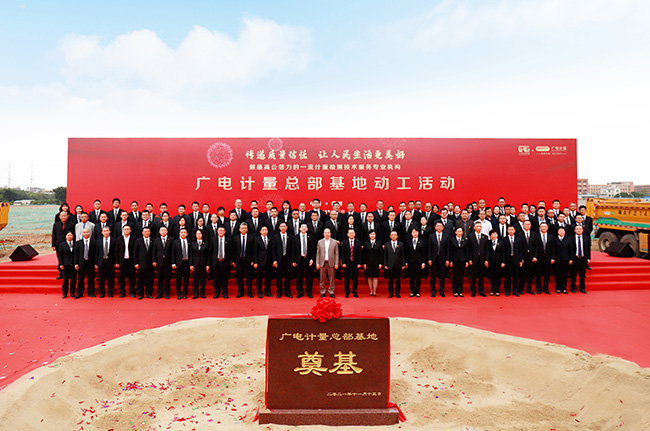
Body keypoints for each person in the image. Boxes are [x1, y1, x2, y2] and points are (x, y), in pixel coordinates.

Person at [292, 223, 316, 298]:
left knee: (309, 277)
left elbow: (313, 250)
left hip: (308, 259)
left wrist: (312, 259)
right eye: (302, 227)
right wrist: (293, 260)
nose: (303, 228)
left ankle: (309, 292)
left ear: (307, 229)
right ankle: (300, 291)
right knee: (299, 276)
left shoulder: (311, 237)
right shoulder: (295, 237)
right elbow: (292, 250)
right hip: (299, 259)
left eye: (305, 227)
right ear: (299, 228)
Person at [428, 221, 449, 297]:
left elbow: (448, 249)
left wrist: (447, 259)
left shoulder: (446, 236)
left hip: (443, 259)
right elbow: (429, 248)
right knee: (433, 275)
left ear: (443, 227)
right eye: (437, 226)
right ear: (435, 227)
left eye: (440, 226)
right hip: (434, 259)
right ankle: (433, 290)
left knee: (442, 276)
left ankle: (441, 290)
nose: (439, 227)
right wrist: (429, 259)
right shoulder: (431, 236)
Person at [232, 222, 254, 298]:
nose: (243, 230)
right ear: (239, 229)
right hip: (239, 260)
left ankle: (249, 292)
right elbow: (233, 250)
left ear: (247, 229)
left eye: (245, 228)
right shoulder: (235, 238)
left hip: (248, 260)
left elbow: (253, 250)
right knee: (239, 277)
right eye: (242, 228)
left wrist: (253, 260)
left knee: (248, 277)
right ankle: (240, 292)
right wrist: (233, 260)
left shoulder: (251, 238)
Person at [209, 226, 231, 298]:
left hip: (225, 261)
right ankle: (217, 292)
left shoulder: (229, 240)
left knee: (224, 278)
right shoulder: (213, 239)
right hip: (216, 261)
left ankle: (225, 292)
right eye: (219, 230)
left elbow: (231, 251)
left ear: (225, 232)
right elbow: (210, 251)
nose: (221, 232)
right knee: (216, 278)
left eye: (222, 230)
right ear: (217, 231)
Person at [519, 220, 540, 295]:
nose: (527, 226)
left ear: (530, 225)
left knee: (530, 274)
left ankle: (529, 288)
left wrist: (535, 256)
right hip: (523, 258)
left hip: (531, 257)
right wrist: (520, 258)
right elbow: (518, 248)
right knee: (522, 274)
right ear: (523, 225)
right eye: (526, 224)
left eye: (528, 224)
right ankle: (521, 289)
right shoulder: (519, 234)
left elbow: (537, 247)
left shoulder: (535, 234)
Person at [316, 228, 339, 298]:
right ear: (323, 233)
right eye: (325, 232)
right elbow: (318, 253)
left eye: (328, 232)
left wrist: (336, 263)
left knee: (331, 278)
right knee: (322, 278)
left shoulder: (334, 242)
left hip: (331, 263)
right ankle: (322, 291)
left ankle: (331, 291)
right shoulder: (320, 242)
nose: (327, 234)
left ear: (330, 234)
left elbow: (336, 254)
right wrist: (317, 263)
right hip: (322, 263)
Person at [467, 221, 488, 297]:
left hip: (482, 259)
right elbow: (468, 249)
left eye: (480, 226)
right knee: (473, 276)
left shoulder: (485, 237)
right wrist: (469, 259)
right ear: (474, 228)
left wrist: (486, 259)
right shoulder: (470, 237)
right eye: (477, 226)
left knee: (481, 276)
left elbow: (487, 250)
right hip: (473, 259)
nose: (479, 228)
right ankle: (473, 291)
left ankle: (481, 291)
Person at [74, 227, 96, 298]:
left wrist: (96, 263)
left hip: (90, 262)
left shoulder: (94, 242)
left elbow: (96, 254)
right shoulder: (78, 243)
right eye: (84, 232)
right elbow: (76, 254)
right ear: (82, 234)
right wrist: (76, 263)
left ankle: (91, 292)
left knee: (91, 278)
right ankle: (79, 293)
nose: (86, 234)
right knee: (81, 278)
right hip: (81, 263)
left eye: (87, 232)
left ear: (89, 233)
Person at [133, 226, 155, 299]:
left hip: (150, 264)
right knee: (140, 279)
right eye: (145, 232)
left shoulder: (153, 241)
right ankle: (140, 294)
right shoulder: (138, 241)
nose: (146, 233)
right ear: (142, 232)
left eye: (148, 231)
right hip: (141, 263)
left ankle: (149, 293)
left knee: (150, 280)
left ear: (150, 232)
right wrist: (136, 263)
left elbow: (154, 252)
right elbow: (135, 253)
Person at [272, 222, 293, 297]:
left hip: (287, 259)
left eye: (284, 226)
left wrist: (293, 260)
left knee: (287, 276)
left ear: (287, 227)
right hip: (279, 259)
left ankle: (288, 292)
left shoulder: (290, 237)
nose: (283, 228)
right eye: (281, 226)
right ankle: (279, 292)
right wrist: (274, 260)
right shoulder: (275, 237)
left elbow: (292, 249)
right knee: (278, 276)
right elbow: (273, 249)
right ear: (279, 228)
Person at [340, 228, 362, 298]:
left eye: (352, 233)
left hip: (355, 263)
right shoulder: (344, 242)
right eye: (350, 233)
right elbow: (342, 253)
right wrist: (343, 262)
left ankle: (355, 291)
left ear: (355, 234)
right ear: (347, 234)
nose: (351, 234)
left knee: (355, 278)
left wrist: (359, 263)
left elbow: (360, 254)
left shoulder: (358, 242)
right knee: (346, 278)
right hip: (347, 263)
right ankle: (347, 292)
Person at [115, 224, 136, 298]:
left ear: (130, 230)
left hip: (131, 261)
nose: (126, 231)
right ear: (122, 230)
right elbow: (116, 251)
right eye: (125, 229)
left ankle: (132, 292)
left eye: (128, 229)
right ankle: (122, 292)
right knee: (121, 277)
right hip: (122, 261)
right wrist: (117, 262)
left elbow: (136, 251)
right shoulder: (118, 239)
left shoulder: (134, 239)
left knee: (132, 277)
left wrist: (136, 262)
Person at [253, 226, 273, 298]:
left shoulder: (270, 238)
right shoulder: (257, 239)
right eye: (263, 230)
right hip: (260, 261)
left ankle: (267, 291)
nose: (264, 231)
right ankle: (259, 292)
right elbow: (254, 251)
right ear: (260, 231)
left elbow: (272, 250)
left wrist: (273, 260)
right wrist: (255, 262)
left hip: (268, 261)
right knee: (259, 278)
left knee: (268, 277)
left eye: (266, 230)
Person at [153, 225, 173, 299]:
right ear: (159, 232)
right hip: (159, 262)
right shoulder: (156, 240)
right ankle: (160, 293)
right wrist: (154, 260)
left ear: (167, 231)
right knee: (160, 279)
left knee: (167, 279)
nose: (163, 232)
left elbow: (172, 252)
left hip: (168, 262)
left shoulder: (171, 239)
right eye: (161, 230)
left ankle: (167, 293)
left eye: (164, 230)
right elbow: (154, 251)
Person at [383, 230, 405, 298]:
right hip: (390, 264)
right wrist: (385, 264)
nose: (393, 236)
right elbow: (385, 256)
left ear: (397, 236)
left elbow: (403, 255)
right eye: (392, 235)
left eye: (395, 235)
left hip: (398, 264)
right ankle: (391, 293)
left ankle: (397, 292)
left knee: (398, 280)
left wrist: (403, 264)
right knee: (390, 280)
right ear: (390, 236)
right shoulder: (387, 244)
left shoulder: (401, 244)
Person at [95, 226, 116, 297]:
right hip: (101, 261)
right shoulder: (98, 241)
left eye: (107, 231)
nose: (106, 232)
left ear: (110, 232)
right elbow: (96, 253)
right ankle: (102, 292)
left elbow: (115, 252)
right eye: (104, 231)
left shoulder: (114, 241)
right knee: (101, 278)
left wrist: (116, 262)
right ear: (102, 232)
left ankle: (110, 292)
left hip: (110, 261)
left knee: (111, 278)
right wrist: (96, 263)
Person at [448, 227, 469, 297]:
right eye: (458, 231)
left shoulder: (465, 240)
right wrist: (450, 260)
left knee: (461, 276)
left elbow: (467, 251)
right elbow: (450, 251)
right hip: (454, 260)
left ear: (462, 232)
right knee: (454, 275)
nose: (459, 233)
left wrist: (467, 261)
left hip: (462, 260)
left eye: (460, 231)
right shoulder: (452, 240)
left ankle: (460, 291)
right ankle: (455, 291)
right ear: (455, 232)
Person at [504, 225, 524, 296]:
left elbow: (520, 250)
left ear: (515, 231)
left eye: (512, 230)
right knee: (507, 276)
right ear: (507, 231)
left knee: (516, 276)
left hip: (516, 259)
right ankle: (507, 291)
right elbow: (503, 252)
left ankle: (515, 291)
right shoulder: (504, 239)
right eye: (509, 230)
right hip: (507, 259)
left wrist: (520, 260)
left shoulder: (518, 239)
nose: (511, 231)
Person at [171, 228, 192, 299]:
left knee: (186, 279)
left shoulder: (189, 242)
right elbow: (173, 253)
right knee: (178, 279)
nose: (183, 234)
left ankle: (185, 293)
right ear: (179, 234)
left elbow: (191, 253)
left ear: (187, 234)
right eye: (182, 232)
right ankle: (179, 293)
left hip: (187, 263)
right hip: (178, 263)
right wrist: (173, 263)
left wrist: (190, 264)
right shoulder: (175, 242)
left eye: (184, 232)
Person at [404, 228, 425, 297]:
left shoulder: (421, 241)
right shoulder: (408, 242)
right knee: (411, 276)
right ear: (411, 233)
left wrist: (423, 262)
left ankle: (418, 291)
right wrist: (406, 262)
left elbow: (423, 253)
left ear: (418, 233)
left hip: (419, 261)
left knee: (418, 276)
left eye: (416, 232)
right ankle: (412, 291)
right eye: (413, 232)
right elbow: (406, 252)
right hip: (410, 261)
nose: (415, 233)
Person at [570, 225, 590, 294]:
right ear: (574, 230)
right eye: (577, 229)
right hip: (574, 258)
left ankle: (582, 287)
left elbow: (588, 249)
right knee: (573, 274)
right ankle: (573, 287)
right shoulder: (571, 238)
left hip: (583, 258)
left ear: (582, 230)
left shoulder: (586, 238)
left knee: (582, 274)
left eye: (580, 229)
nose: (579, 230)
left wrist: (588, 258)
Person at [536, 222, 554, 294]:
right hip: (539, 258)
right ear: (540, 228)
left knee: (547, 274)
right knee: (538, 274)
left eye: (545, 227)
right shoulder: (536, 236)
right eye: (542, 227)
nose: (543, 228)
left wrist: (553, 257)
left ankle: (546, 288)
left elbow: (553, 248)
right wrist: (535, 256)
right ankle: (539, 289)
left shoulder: (551, 237)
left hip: (548, 258)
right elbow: (535, 247)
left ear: (547, 228)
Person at [553, 227, 573, 294]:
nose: (561, 232)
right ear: (557, 232)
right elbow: (552, 249)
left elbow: (571, 250)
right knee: (557, 274)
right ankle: (558, 288)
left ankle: (564, 288)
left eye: (563, 231)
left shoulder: (568, 239)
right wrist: (553, 258)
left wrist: (571, 258)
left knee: (564, 274)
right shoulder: (554, 239)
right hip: (557, 259)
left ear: (565, 232)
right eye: (560, 231)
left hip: (566, 259)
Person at [190, 229, 209, 299]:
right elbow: (191, 254)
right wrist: (190, 264)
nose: (198, 235)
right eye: (197, 234)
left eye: (200, 234)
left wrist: (208, 264)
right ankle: (195, 293)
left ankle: (202, 293)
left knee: (203, 279)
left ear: (202, 235)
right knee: (195, 279)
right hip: (195, 263)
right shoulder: (193, 243)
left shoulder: (206, 243)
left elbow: (208, 255)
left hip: (203, 263)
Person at [57, 231, 76, 298]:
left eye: (71, 235)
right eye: (68, 235)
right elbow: (60, 255)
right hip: (65, 264)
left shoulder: (75, 244)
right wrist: (61, 264)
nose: (69, 237)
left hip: (73, 264)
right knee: (65, 280)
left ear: (73, 236)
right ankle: (65, 293)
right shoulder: (62, 245)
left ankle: (72, 293)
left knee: (73, 280)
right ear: (66, 236)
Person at [363, 230, 383, 296]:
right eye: (371, 234)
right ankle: (371, 290)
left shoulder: (379, 243)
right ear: (369, 235)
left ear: (375, 235)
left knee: (375, 277)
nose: (372, 235)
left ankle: (374, 290)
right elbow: (364, 254)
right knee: (369, 277)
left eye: (373, 234)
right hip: (368, 262)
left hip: (376, 262)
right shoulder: (366, 243)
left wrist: (380, 263)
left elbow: (381, 254)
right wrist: (364, 263)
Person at [486, 229, 505, 296]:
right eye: (492, 234)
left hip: (499, 261)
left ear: (497, 235)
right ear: (490, 235)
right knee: (492, 276)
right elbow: (487, 252)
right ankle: (492, 289)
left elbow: (503, 253)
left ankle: (497, 290)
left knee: (498, 276)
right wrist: (487, 260)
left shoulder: (501, 242)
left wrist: (503, 262)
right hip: (491, 261)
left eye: (495, 234)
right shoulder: (488, 242)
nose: (494, 235)